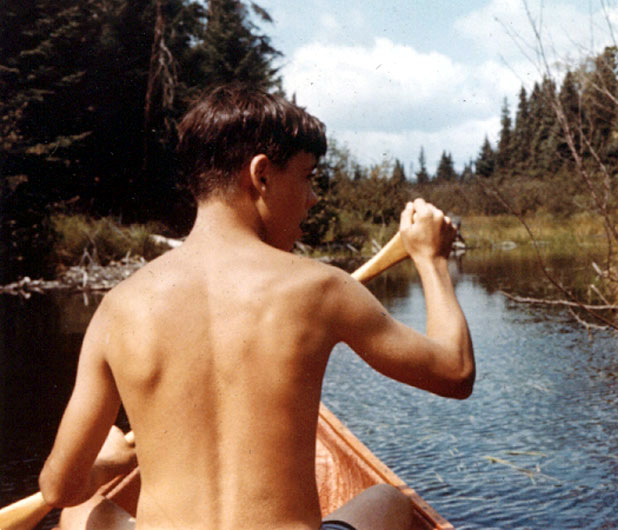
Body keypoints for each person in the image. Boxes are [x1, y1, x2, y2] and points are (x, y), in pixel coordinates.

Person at [38, 83, 475, 530]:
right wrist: (432, 261)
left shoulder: (118, 307)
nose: (313, 197)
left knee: (78, 510)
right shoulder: (321, 287)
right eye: (307, 177)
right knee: (388, 500)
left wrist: (107, 465)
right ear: (261, 174)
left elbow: (58, 489)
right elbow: (455, 371)